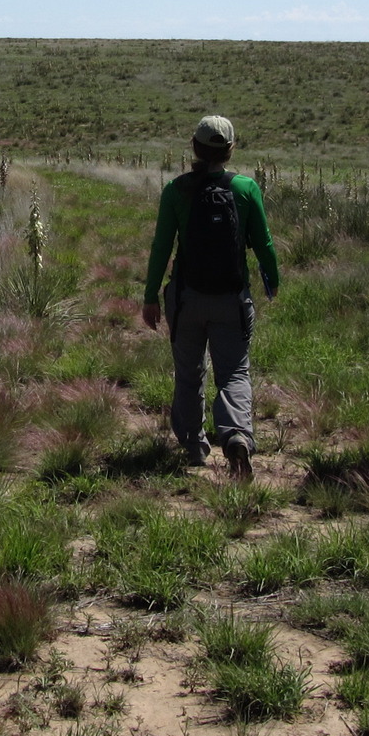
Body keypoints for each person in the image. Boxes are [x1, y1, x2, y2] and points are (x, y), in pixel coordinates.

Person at [142, 116, 281, 481]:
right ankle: (236, 435)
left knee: (189, 372)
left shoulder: (175, 191)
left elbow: (161, 247)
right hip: (231, 299)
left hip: (186, 298)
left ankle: (193, 446)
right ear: (230, 150)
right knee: (234, 371)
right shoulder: (247, 189)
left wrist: (150, 296)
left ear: (194, 147)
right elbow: (263, 243)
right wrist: (272, 281)